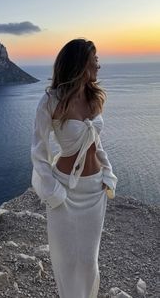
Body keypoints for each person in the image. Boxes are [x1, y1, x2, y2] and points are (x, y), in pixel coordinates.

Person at [31, 38, 118, 298]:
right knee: (67, 261)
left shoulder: (94, 98)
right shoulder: (51, 101)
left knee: (88, 260)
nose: (99, 65)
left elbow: (95, 142)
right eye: (95, 60)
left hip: (94, 190)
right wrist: (53, 190)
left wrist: (107, 172)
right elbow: (38, 150)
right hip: (65, 191)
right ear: (80, 63)